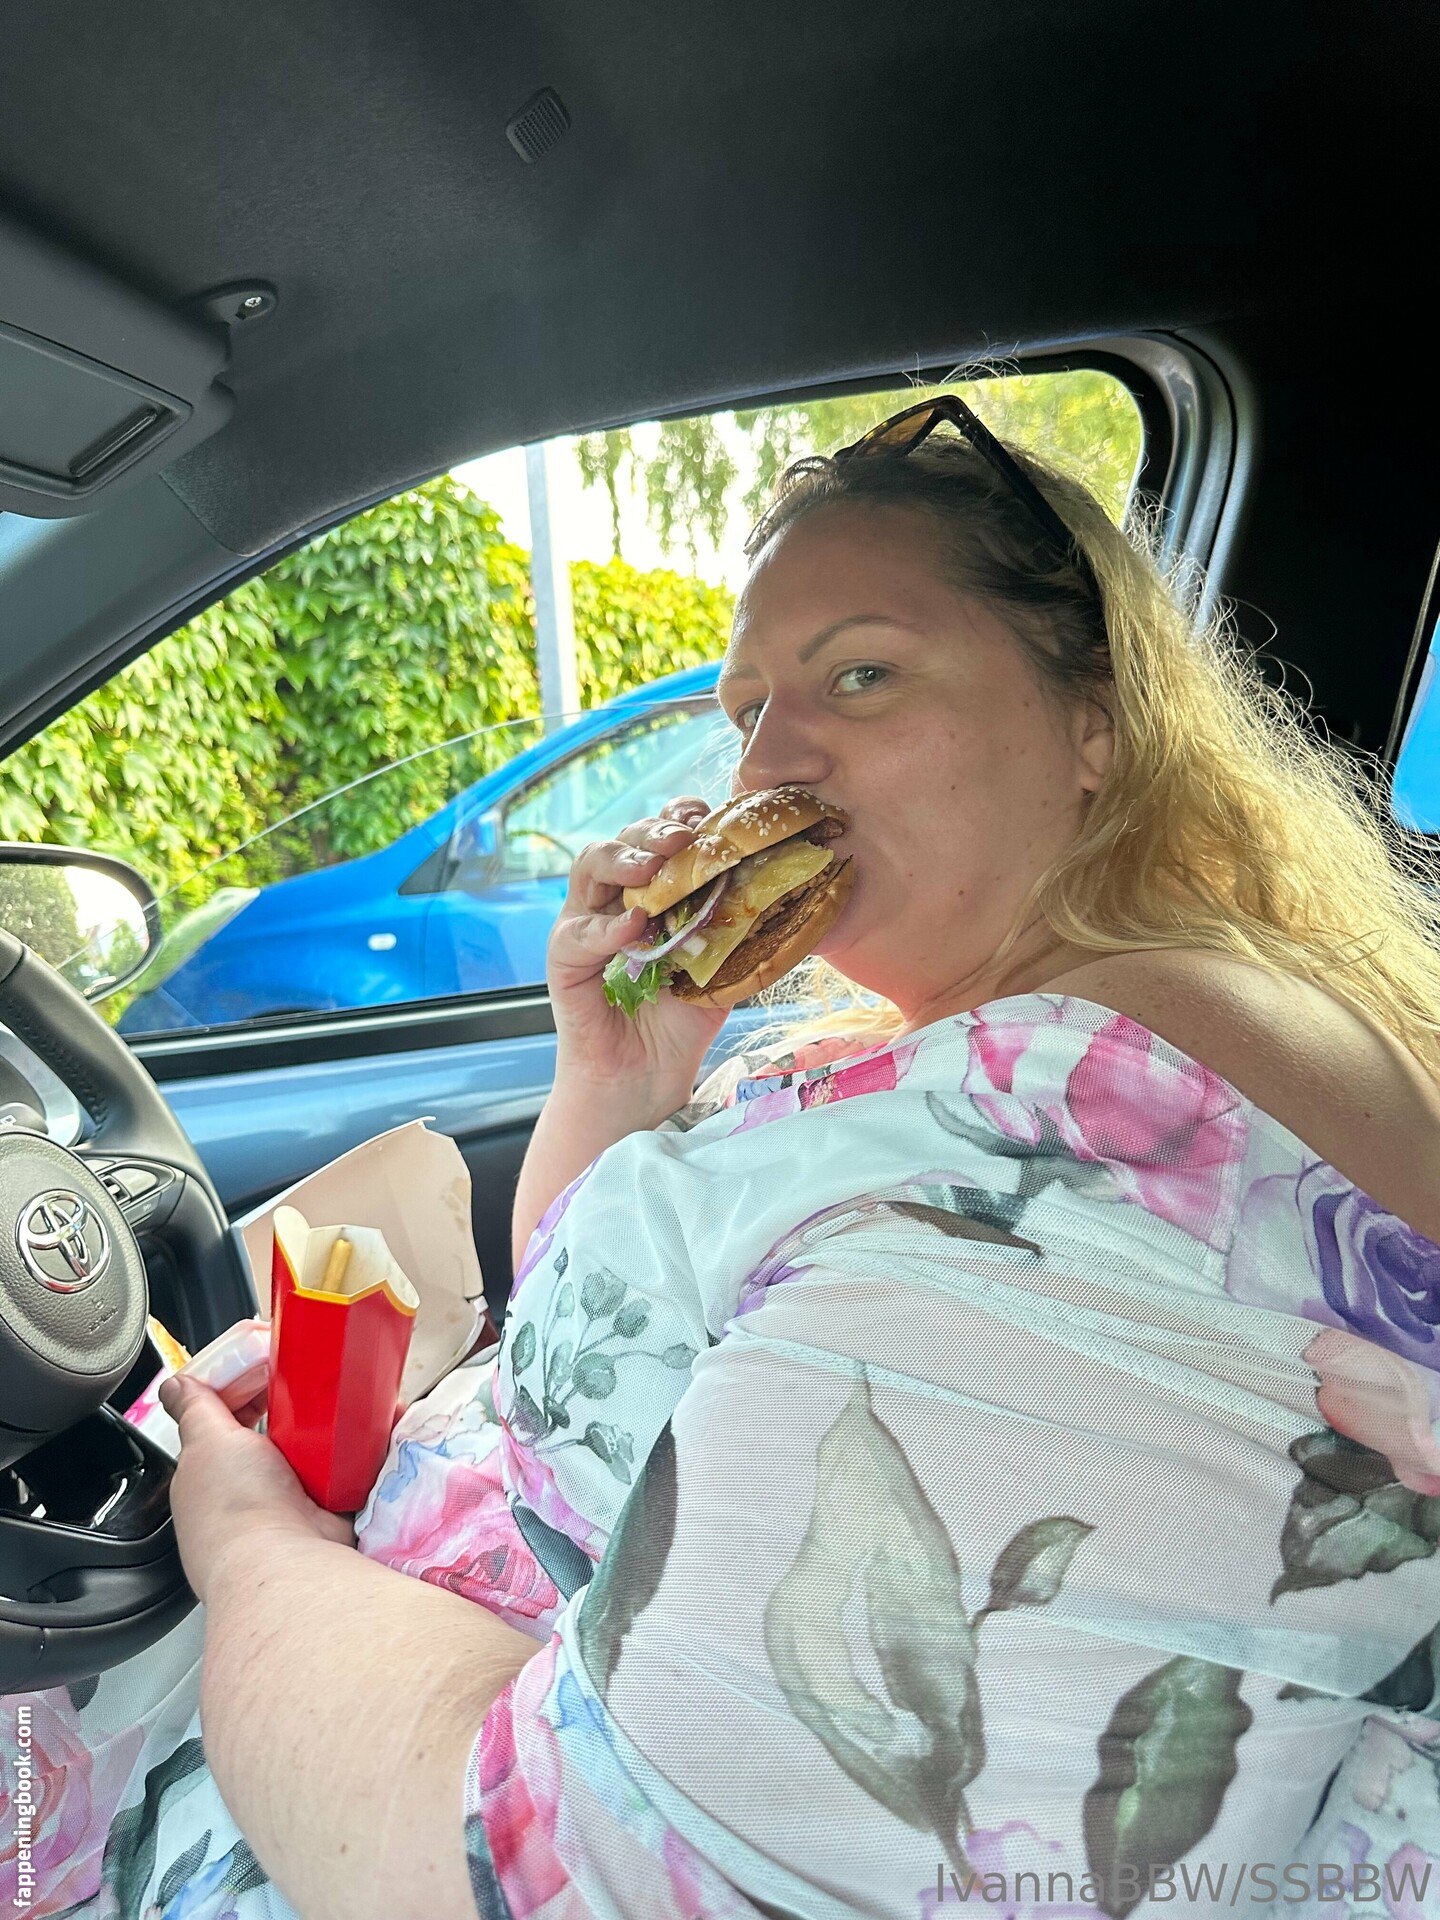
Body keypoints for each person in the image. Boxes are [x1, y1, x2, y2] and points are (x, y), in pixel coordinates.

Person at [8, 394, 1440, 1920]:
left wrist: (247, 1546)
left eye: (861, 676)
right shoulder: (985, 1032)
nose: (770, 761)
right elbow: (610, 1353)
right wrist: (619, 1072)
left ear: (1098, 721)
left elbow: (563, 1872)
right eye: (747, 706)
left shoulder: (1091, 1128)